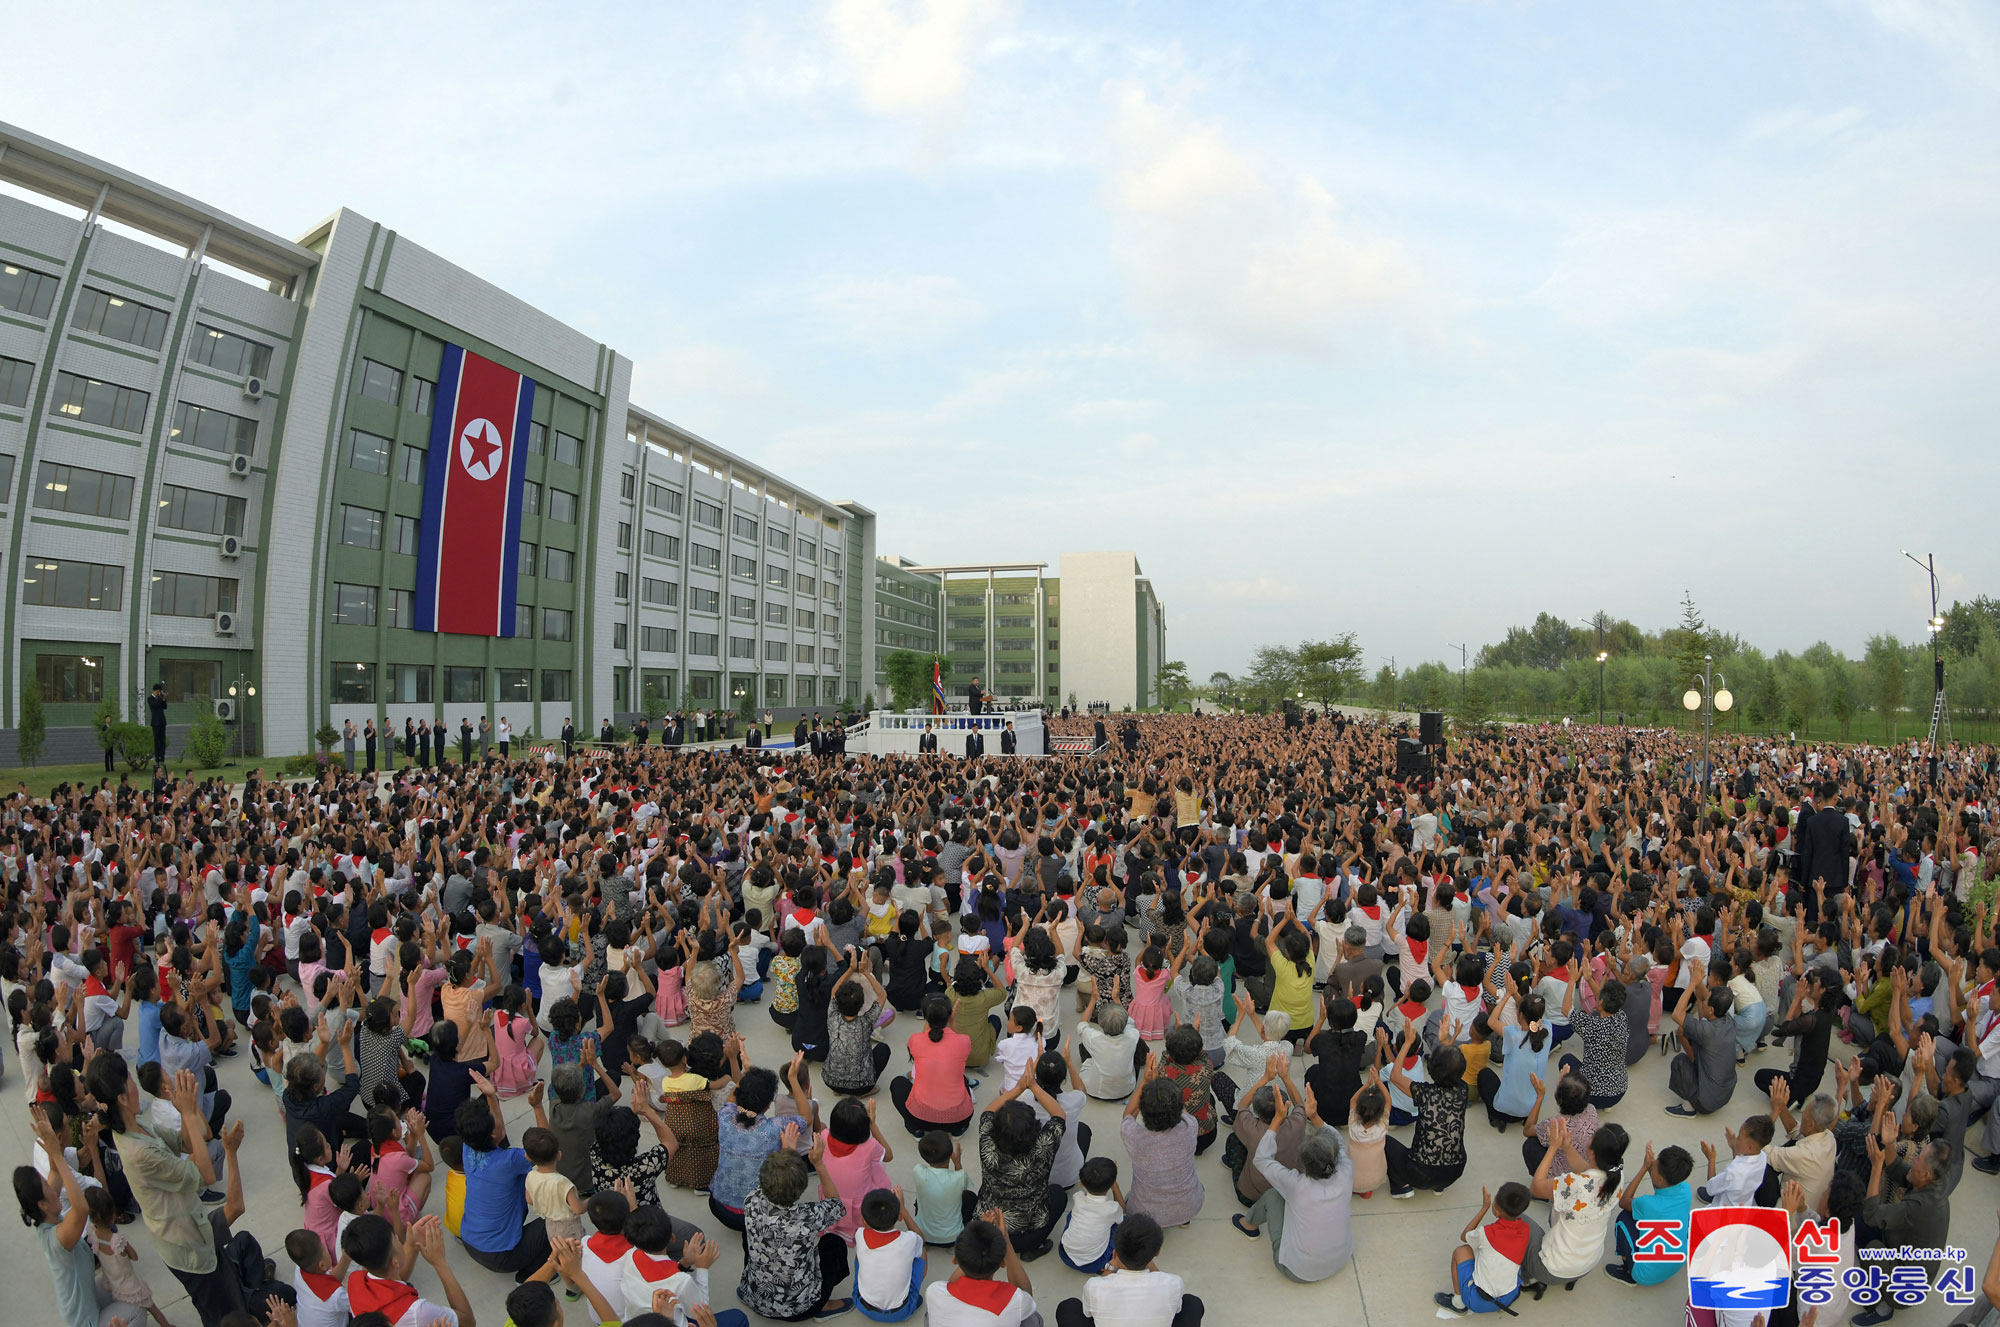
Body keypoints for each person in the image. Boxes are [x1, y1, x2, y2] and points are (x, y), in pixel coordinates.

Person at [19, 1104, 148, 1327]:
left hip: (85, 1300)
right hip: (86, 1320)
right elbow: (81, 1208)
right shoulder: (58, 1238)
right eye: (47, 1188)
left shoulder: (46, 1219)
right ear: (42, 1203)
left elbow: (55, 1172)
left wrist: (52, 1145)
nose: (53, 1188)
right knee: (137, 1310)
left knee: (126, 1287)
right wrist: (57, 1154)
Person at [1231, 1058, 1353, 1284]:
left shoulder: (1296, 1184)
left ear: (1303, 1163)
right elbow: (1337, 1138)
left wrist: (1277, 1120)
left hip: (1298, 1271)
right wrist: (1313, 1116)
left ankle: (1249, 1225)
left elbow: (1262, 1158)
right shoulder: (1346, 1171)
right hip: (1341, 1258)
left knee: (1272, 1195)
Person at [737, 1130, 853, 1321]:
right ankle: (823, 1305)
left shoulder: (752, 1200)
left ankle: (750, 1289)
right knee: (833, 1242)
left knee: (747, 1234)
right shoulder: (808, 1217)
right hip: (800, 1308)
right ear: (801, 1189)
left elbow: (774, 1181)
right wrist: (819, 1164)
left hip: (755, 1297)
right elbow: (836, 1206)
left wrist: (787, 1151)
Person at [454, 1070, 553, 1279]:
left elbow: (498, 1133)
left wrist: (491, 1096)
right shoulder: (508, 1161)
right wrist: (537, 1106)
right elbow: (547, 1147)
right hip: (501, 1257)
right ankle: (532, 1271)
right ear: (492, 1134)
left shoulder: (467, 1146)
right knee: (557, 1220)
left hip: (470, 1242)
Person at [1521, 1120, 1628, 1297]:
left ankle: (1528, 1277)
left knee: (1519, 1221)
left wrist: (1553, 1148)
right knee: (1558, 1210)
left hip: (1552, 1269)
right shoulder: (1616, 1175)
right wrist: (1568, 1147)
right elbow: (1586, 1169)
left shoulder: (1574, 1184)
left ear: (1592, 1153)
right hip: (1588, 1263)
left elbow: (1536, 1188)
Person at [975, 1068, 1068, 1258]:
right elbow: (1059, 1115)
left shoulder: (988, 1145)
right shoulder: (1043, 1146)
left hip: (990, 1227)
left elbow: (987, 1112)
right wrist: (1033, 1086)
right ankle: (1032, 1248)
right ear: (1034, 1129)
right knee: (1059, 1194)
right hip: (1030, 1230)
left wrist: (1018, 1088)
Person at [1055, 1213, 1203, 1327]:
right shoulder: (1173, 1283)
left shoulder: (1094, 1287)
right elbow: (1175, 1308)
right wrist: (1145, 1254)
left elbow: (1088, 1314)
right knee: (1192, 1303)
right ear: (1156, 1253)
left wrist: (1113, 1264)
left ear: (1115, 1252)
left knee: (1068, 1308)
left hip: (1124, 1259)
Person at [1119, 1068, 1203, 1229]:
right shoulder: (1190, 1126)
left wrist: (1145, 1081)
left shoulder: (1134, 1136)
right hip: (1190, 1205)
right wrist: (1164, 1090)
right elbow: (1182, 1110)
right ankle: (1183, 1219)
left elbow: (1128, 1116)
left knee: (1130, 1197)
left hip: (1144, 1211)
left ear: (1143, 1110)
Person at [922, 1214, 1040, 1326]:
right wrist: (1006, 1242)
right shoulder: (1014, 1300)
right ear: (1003, 1263)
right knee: (1033, 1318)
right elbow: (1027, 1297)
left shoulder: (934, 1291)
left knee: (931, 1312)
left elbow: (950, 1285)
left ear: (955, 1260)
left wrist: (975, 1240)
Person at [1434, 1182, 1530, 1315]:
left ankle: (1458, 1303)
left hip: (1478, 1302)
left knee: (1461, 1251)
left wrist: (1484, 1208)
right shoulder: (1525, 1229)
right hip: (1508, 1298)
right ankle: (1499, 1303)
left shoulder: (1486, 1233)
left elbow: (1464, 1236)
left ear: (1496, 1210)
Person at [1606, 1143, 1694, 1285]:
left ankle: (1628, 1271)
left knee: (1624, 1218)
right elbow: (1660, 1189)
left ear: (1660, 1179)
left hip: (1645, 1275)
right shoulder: (1685, 1189)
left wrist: (1644, 1168)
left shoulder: (1647, 1204)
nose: (1652, 1166)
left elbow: (1624, 1202)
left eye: (1654, 1167)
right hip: (1675, 1264)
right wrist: (1651, 1169)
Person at [890, 996, 975, 1137]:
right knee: (962, 1079)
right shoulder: (964, 1041)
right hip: (958, 1119)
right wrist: (951, 1022)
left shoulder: (915, 1040)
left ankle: (915, 1130)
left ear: (924, 1015)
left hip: (920, 1119)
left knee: (897, 1083)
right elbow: (955, 1041)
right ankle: (957, 1131)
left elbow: (926, 1039)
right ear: (949, 1016)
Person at [1664, 965, 1739, 1117]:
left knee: (1680, 1061)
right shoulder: (1728, 1020)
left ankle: (1689, 1108)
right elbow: (1705, 997)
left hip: (1706, 1103)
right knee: (1683, 1033)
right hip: (1723, 1096)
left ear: (1711, 1010)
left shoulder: (1707, 1031)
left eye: (1706, 1003)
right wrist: (1698, 981)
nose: (1703, 1003)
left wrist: (1692, 984)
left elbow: (1677, 1014)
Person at [853, 1187, 926, 1323]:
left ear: (864, 1221)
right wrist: (903, 1209)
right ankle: (913, 1297)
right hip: (900, 1312)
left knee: (860, 1255)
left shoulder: (860, 1233)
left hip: (861, 1304)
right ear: (899, 1217)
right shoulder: (908, 1240)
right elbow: (921, 1239)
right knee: (920, 1248)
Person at [147, 682, 167, 764]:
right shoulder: (150, 698)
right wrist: (159, 697)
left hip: (162, 722)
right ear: (155, 691)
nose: (159, 693)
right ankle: (157, 758)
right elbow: (154, 705)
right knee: (157, 741)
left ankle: (162, 758)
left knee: (162, 741)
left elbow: (164, 707)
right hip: (155, 722)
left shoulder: (159, 698)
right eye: (158, 692)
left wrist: (164, 698)